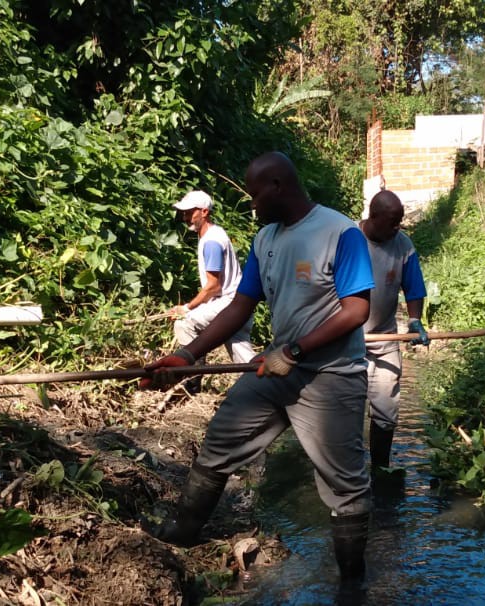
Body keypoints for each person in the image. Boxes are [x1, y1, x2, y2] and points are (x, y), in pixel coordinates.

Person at [141, 152, 375, 580]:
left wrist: (295, 352)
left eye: (254, 195)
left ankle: (352, 582)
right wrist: (189, 354)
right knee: (219, 443)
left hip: (331, 376)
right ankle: (182, 533)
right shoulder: (265, 239)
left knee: (347, 487)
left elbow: (356, 310)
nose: (252, 205)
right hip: (277, 369)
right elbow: (240, 304)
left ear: (277, 187)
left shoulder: (339, 232)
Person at [359, 190, 429, 473]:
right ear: (373, 217)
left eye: (399, 221)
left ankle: (379, 469)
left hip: (384, 338)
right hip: (346, 341)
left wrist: (414, 321)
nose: (397, 228)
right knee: (345, 411)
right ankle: (346, 477)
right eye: (391, 222)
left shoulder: (403, 245)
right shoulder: (348, 238)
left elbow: (414, 288)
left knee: (386, 410)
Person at [168, 190, 256, 366]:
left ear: (204, 212)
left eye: (190, 212)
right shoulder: (216, 234)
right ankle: (270, 385)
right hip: (238, 303)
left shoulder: (211, 242)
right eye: (184, 213)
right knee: (245, 360)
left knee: (184, 323)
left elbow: (214, 287)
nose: (185, 217)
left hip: (227, 303)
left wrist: (186, 308)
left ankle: (192, 376)